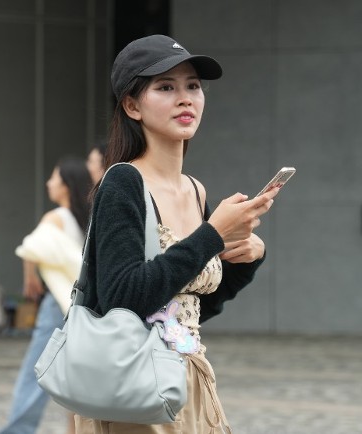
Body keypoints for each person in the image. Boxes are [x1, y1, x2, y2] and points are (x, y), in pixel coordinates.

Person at [73, 35, 278, 434]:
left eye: (193, 86)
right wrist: (213, 234)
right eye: (165, 87)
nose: (185, 98)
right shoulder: (124, 183)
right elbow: (124, 299)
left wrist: (248, 258)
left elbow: (193, 307)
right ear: (132, 105)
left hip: (189, 379)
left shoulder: (195, 189)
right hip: (134, 388)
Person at [0, 158, 93, 434]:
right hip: (81, 304)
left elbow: (30, 247)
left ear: (65, 186)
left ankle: (18, 430)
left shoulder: (55, 217)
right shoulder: (86, 217)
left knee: (36, 370)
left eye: (53, 178)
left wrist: (30, 278)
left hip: (57, 302)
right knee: (76, 378)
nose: (48, 183)